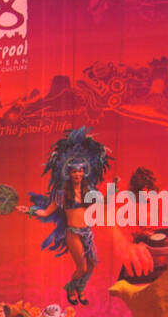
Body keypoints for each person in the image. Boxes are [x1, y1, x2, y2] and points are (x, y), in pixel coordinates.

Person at [15, 127, 113, 305]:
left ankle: (80, 288)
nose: (77, 174)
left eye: (80, 171)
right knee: (81, 266)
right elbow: (46, 212)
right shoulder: (61, 193)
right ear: (70, 173)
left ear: (84, 172)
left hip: (87, 233)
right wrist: (28, 210)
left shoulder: (88, 190)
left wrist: (114, 187)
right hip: (73, 233)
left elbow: (103, 202)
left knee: (92, 265)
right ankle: (71, 288)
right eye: (74, 171)